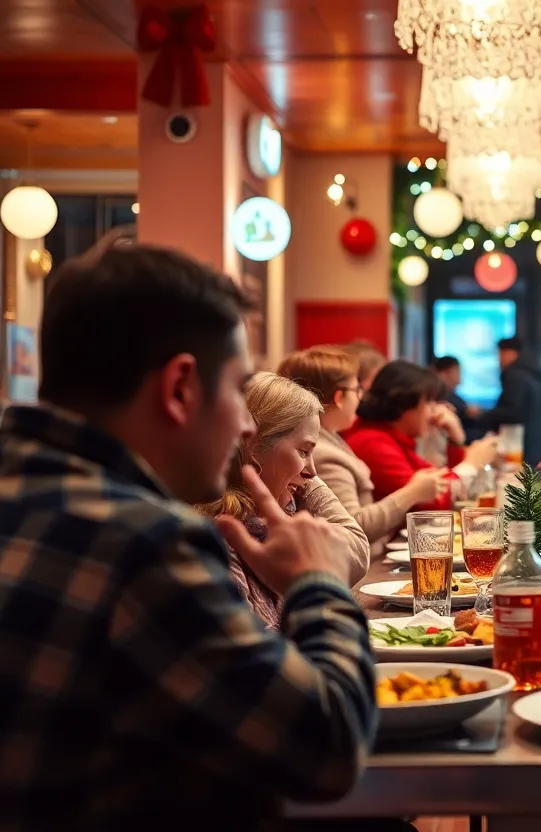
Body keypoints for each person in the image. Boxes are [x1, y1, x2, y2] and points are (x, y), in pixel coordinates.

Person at [0, 245, 375, 826]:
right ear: (179, 388)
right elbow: (326, 749)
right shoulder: (144, 545)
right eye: (235, 388)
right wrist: (318, 584)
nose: (248, 424)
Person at [198, 372, 372, 627]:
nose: (313, 472)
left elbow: (357, 552)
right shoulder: (220, 536)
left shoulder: (284, 509)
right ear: (253, 446)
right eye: (303, 451)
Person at [279, 346, 447, 556]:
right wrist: (412, 493)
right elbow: (353, 527)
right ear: (340, 397)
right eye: (357, 390)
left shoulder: (332, 440)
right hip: (360, 573)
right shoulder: (324, 452)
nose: (360, 398)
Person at [344, 360, 497, 511]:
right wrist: (471, 464)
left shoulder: (391, 436)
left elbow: (440, 479)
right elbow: (431, 502)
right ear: (403, 404)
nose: (436, 411)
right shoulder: (374, 443)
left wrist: (455, 440)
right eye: (429, 402)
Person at [482, 336, 541, 468]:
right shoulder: (532, 372)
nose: (499, 360)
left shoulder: (515, 375)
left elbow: (514, 411)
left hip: (518, 445)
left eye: (500, 354)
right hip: (535, 443)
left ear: (510, 353)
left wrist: (484, 415)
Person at [435, 355, 484, 440]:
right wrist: (466, 411)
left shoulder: (451, 395)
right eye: (457, 372)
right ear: (444, 373)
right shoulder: (441, 395)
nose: (460, 377)